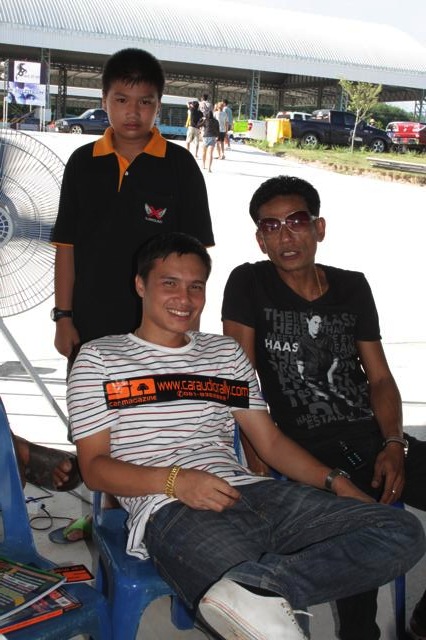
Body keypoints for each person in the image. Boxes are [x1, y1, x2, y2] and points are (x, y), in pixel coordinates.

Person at [66, 231, 425, 640]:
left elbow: (269, 442)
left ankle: (260, 589)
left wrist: (336, 482)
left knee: (400, 531)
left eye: (196, 286)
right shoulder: (100, 358)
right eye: (170, 283)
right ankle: (261, 596)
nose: (185, 298)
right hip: (172, 508)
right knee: (273, 627)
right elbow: (94, 469)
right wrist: (175, 481)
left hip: (257, 493)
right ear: (140, 285)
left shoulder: (224, 353)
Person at [221, 175, 426, 640]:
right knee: (358, 536)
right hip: (305, 452)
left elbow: (380, 378)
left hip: (372, 439)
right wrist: (256, 455)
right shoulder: (249, 282)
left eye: (296, 221)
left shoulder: (352, 287)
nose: (285, 236)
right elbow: (240, 381)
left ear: (319, 228)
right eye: (271, 226)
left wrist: (394, 443)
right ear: (260, 239)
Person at [51, 47, 214, 541]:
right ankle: (104, 516)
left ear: (159, 105)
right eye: (121, 100)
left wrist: (188, 330)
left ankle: (151, 518)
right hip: (91, 325)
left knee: (151, 425)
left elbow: (196, 259)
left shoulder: (179, 166)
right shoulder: (83, 163)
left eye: (145, 102)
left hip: (158, 329)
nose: (132, 113)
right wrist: (63, 316)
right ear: (104, 100)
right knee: (96, 428)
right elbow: (66, 246)